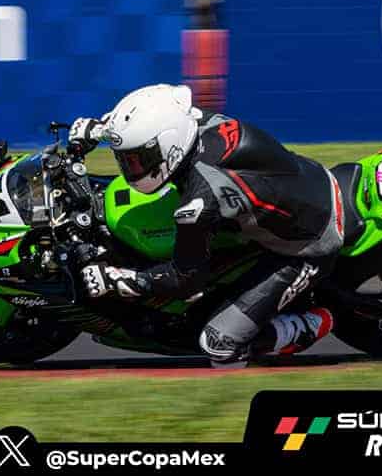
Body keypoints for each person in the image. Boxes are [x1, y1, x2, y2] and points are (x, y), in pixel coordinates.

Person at [69, 84, 344, 363]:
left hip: (309, 243)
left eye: (138, 159)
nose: (130, 168)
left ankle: (304, 325)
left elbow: (185, 278)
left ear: (170, 147)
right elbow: (158, 117)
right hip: (307, 181)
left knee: (218, 346)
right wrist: (102, 129)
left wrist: (123, 279)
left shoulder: (199, 201)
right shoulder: (196, 122)